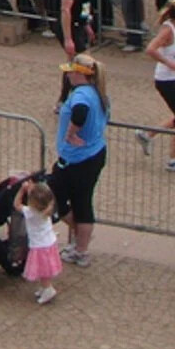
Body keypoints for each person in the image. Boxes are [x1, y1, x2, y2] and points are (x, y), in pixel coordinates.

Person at [52, 55, 109, 267]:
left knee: (62, 196)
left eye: (71, 72)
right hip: (92, 153)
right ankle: (81, 241)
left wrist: (71, 133)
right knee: (81, 200)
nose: (67, 75)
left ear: (79, 73)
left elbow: (80, 112)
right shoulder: (98, 93)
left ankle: (81, 243)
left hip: (78, 158)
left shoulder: (82, 94)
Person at [141, 0, 175, 173]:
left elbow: (174, 49)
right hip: (166, 80)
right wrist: (168, 63)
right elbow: (151, 49)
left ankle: (147, 134)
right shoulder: (168, 29)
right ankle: (173, 159)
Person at [19, 178, 64, 304]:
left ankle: (48, 288)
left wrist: (22, 190)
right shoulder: (46, 209)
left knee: (43, 270)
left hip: (39, 246)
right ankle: (44, 288)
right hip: (49, 242)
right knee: (45, 268)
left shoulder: (30, 212)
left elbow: (16, 205)